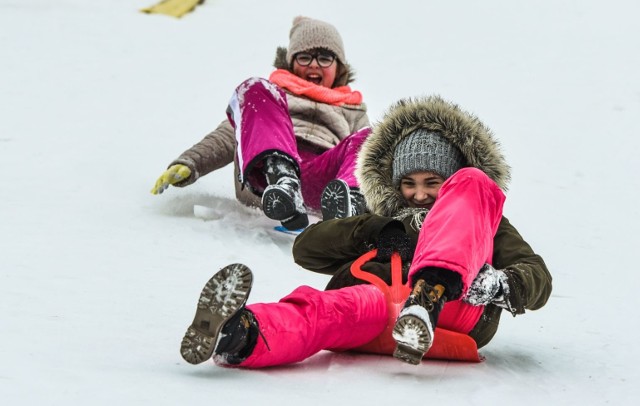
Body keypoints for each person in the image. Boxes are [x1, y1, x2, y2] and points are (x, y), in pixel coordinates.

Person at [179, 96, 552, 368]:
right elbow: (307, 250)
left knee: (476, 182)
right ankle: (238, 334)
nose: (419, 194)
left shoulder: (482, 219)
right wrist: (374, 229)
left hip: (456, 312)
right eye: (409, 183)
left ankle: (429, 297)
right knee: (320, 312)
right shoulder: (385, 217)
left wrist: (502, 285)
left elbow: (538, 278)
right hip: (379, 304)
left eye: (432, 182)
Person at [151, 16, 371, 230]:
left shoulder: (352, 109)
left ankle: (350, 204)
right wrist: (192, 162)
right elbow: (231, 134)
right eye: (304, 57)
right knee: (253, 88)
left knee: (372, 138)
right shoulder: (274, 95)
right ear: (291, 61)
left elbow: (367, 159)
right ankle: (283, 180)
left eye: (324, 58)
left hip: (321, 183)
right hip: (264, 175)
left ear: (339, 67)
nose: (314, 65)